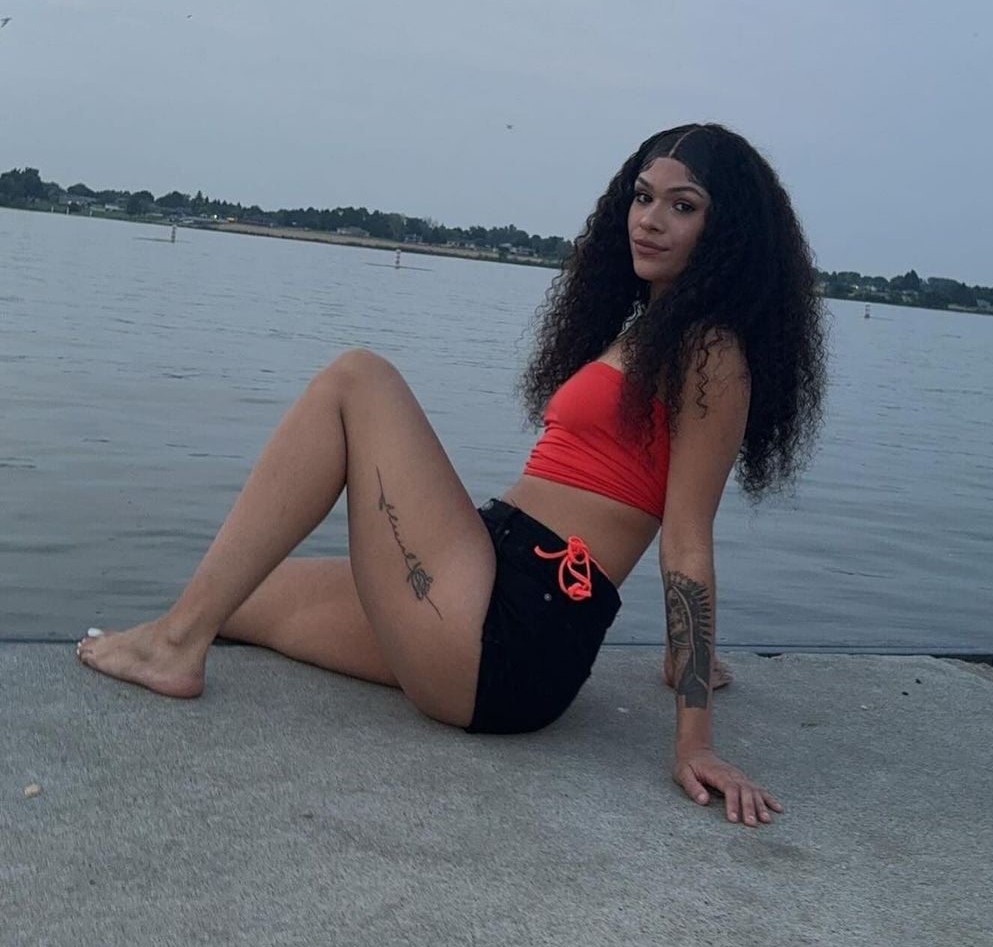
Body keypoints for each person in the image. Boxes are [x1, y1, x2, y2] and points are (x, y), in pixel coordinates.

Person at [76, 122, 826, 827]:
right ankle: (179, 633)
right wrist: (680, 657)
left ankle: (172, 650)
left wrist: (694, 738)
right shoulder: (648, 333)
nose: (650, 220)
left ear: (725, 232)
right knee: (241, 596)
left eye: (682, 206)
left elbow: (687, 536)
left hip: (517, 627)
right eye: (642, 196)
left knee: (357, 379)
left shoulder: (710, 351)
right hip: (483, 580)